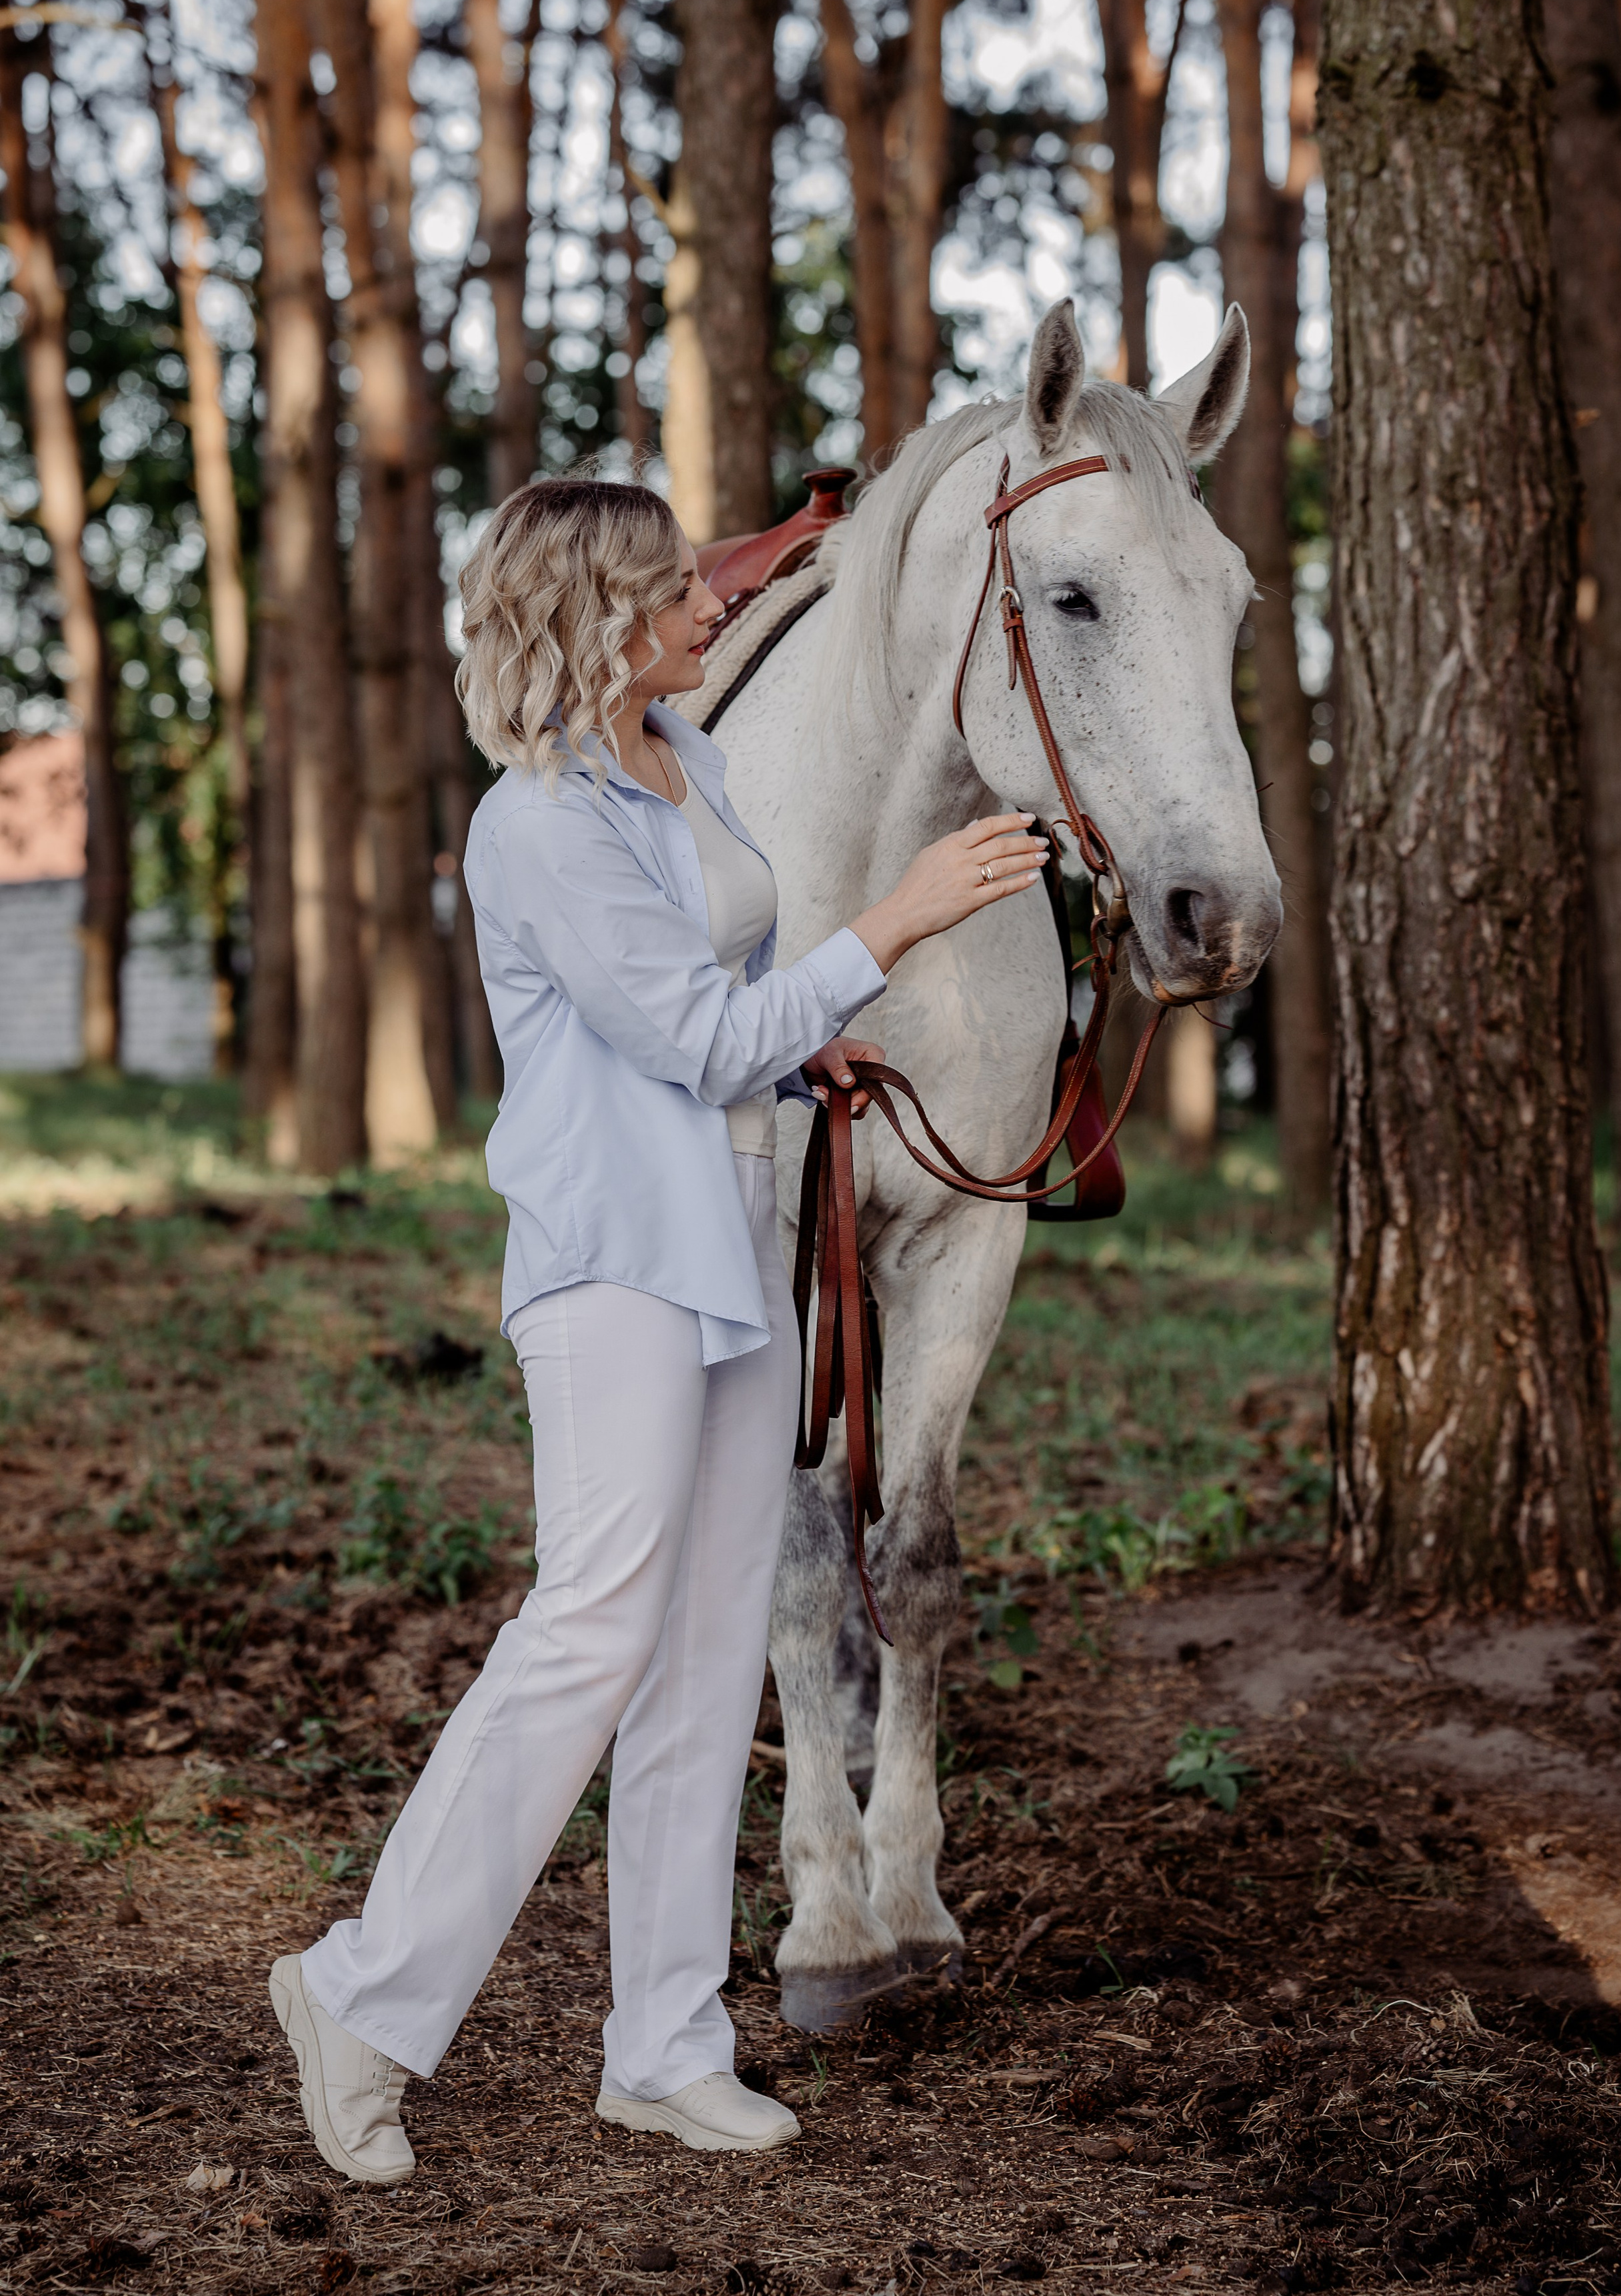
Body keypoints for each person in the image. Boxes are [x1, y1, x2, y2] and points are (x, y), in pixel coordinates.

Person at [267, 477, 1047, 2177]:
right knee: (589, 1632)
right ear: (594, 611)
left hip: (738, 1252)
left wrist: (804, 1048)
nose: (711, 599)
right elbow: (684, 1038)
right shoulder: (532, 822)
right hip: (613, 1260)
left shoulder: (682, 760)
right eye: (674, 585)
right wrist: (894, 924)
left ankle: (667, 2038)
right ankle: (356, 1993)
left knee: (704, 1659)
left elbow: (723, 1024)